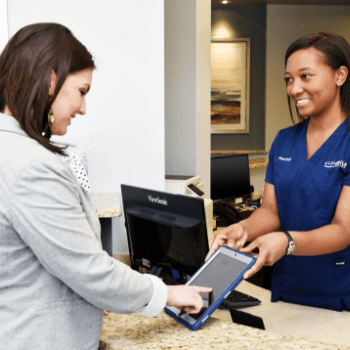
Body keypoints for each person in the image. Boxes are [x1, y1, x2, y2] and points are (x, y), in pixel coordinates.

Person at [0, 23, 211, 350]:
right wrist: (166, 293)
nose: (82, 108)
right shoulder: (32, 167)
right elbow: (88, 270)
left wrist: (95, 298)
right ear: (50, 79)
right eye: (82, 92)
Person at [207, 31, 350, 312]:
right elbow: (271, 211)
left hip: (339, 294)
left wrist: (287, 242)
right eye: (289, 79)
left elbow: (344, 229)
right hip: (287, 290)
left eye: (305, 76)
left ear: (340, 75)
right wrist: (242, 229)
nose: (294, 89)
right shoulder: (284, 140)